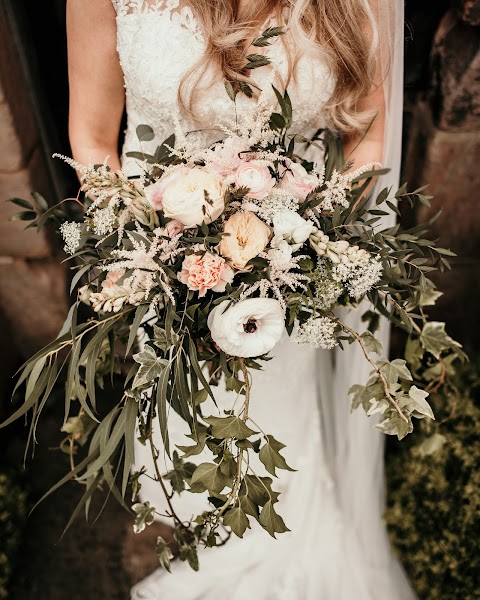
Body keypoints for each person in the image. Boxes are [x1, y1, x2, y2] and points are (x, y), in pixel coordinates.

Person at [66, 1, 414, 598]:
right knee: (185, 406)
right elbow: (94, 138)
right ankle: (194, 515)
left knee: (278, 401)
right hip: (162, 258)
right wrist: (154, 260)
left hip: (292, 265)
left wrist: (310, 249)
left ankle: (280, 515)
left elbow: (370, 134)